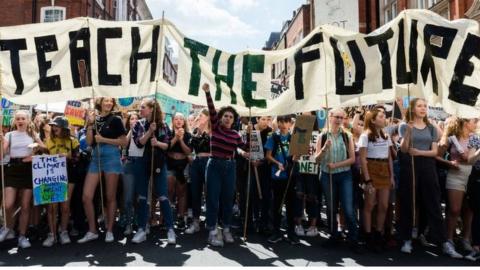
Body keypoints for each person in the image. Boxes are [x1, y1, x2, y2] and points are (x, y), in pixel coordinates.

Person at [398, 98, 462, 258]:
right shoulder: (404, 126)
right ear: (413, 108)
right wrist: (408, 132)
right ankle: (406, 239)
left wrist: (419, 152)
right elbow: (404, 149)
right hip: (410, 166)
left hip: (428, 166)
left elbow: (434, 152)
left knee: (433, 203)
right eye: (419, 106)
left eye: (425, 106)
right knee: (409, 202)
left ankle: (443, 242)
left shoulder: (432, 128)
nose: (423, 108)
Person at [201, 83, 247, 247]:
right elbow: (211, 109)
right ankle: (213, 230)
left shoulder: (235, 134)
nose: (228, 118)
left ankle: (226, 228)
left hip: (230, 167)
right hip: (214, 166)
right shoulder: (215, 127)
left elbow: (244, 148)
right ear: (220, 118)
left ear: (234, 120)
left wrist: (250, 147)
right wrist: (208, 92)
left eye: (231, 117)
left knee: (228, 199)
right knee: (213, 199)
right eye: (225, 116)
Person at [78, 97, 128, 244]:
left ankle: (110, 230)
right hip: (95, 157)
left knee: (110, 196)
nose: (108, 103)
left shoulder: (116, 119)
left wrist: (104, 140)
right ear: (100, 102)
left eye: (110, 101)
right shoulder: (94, 118)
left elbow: (124, 142)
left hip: (112, 156)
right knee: (86, 196)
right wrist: (90, 124)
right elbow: (88, 142)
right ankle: (92, 230)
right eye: (106, 101)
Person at [130, 98, 176, 245]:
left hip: (159, 163)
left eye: (143, 107)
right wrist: (150, 132)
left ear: (151, 109)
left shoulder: (162, 125)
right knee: (142, 197)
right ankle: (142, 229)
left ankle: (170, 228)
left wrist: (158, 143)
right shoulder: (139, 124)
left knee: (163, 195)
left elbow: (168, 145)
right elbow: (139, 142)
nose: (140, 110)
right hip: (142, 163)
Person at [314, 108, 359, 252]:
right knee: (331, 208)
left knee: (348, 208)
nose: (339, 119)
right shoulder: (322, 136)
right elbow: (316, 160)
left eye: (342, 117)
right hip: (327, 175)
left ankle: (354, 239)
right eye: (336, 117)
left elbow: (352, 159)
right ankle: (333, 236)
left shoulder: (347, 136)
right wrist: (324, 149)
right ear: (330, 117)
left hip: (344, 175)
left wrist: (336, 165)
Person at [0, 110, 45, 248]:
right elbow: (2, 155)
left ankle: (22, 236)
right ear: (15, 121)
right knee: (8, 204)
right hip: (12, 169)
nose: (20, 121)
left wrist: (35, 151)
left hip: (28, 170)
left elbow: (44, 148)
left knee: (26, 206)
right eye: (18, 118)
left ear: (27, 120)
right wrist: (1, 142)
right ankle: (8, 228)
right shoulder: (9, 135)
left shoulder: (33, 134)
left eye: (23, 118)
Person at [438, 117, 477, 253]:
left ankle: (465, 239)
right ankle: (448, 240)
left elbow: (472, 158)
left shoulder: (475, 138)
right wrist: (449, 163)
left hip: (472, 176)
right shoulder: (451, 138)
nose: (477, 123)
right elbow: (437, 156)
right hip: (455, 176)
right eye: (474, 121)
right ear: (466, 123)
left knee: (469, 209)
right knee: (454, 209)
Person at [358, 108, 394, 252]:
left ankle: (379, 233)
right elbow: (362, 159)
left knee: (384, 205)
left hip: (384, 169)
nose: (384, 117)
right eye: (381, 116)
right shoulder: (365, 136)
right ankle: (368, 236)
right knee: (369, 204)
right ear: (373, 120)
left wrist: (392, 176)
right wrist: (367, 180)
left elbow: (390, 157)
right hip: (371, 169)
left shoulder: (386, 135)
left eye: (384, 115)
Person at [42, 116, 80, 247]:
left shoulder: (73, 141)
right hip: (52, 175)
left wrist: (67, 156)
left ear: (64, 127)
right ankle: (52, 234)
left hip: (69, 174)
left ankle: (63, 232)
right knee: (52, 207)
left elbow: (77, 158)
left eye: (56, 125)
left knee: (64, 206)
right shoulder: (48, 141)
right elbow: (44, 157)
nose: (54, 128)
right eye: (53, 126)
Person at [265, 115, 298, 244]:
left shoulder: (294, 138)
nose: (283, 124)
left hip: (290, 175)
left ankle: (291, 232)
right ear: (277, 123)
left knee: (291, 205)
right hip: (277, 175)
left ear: (290, 123)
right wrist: (277, 163)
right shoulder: (273, 137)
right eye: (281, 121)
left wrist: (295, 158)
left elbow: (297, 155)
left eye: (286, 121)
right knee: (277, 205)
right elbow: (267, 156)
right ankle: (276, 232)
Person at [186, 109, 211, 234]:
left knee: (210, 193)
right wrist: (193, 130)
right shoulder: (195, 131)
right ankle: (195, 221)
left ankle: (211, 221)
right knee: (195, 192)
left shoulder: (213, 131)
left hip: (209, 162)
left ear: (207, 117)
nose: (198, 117)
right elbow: (190, 149)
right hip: (196, 162)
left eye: (201, 115)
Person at [167, 112, 192, 229]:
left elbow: (188, 152)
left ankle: (181, 217)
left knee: (181, 192)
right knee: (169, 189)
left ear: (184, 122)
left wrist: (181, 140)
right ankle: (168, 215)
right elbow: (167, 147)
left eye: (181, 119)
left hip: (183, 166)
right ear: (172, 121)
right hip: (170, 164)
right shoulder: (168, 133)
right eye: (176, 119)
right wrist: (175, 137)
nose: (178, 121)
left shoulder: (188, 135)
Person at [121, 111, 140, 236]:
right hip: (128, 165)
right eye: (131, 119)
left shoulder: (143, 130)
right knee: (128, 198)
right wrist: (131, 131)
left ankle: (138, 222)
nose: (134, 120)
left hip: (140, 165)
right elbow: (124, 144)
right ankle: (128, 223)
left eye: (136, 118)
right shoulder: (125, 132)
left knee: (139, 198)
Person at [466, 131, 480, 261]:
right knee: (478, 214)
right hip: (477, 179)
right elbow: (470, 160)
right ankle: (476, 248)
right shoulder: (475, 138)